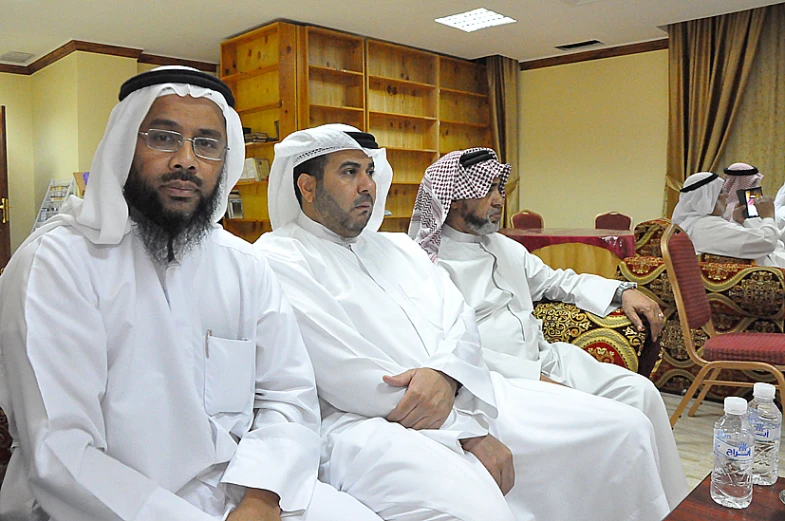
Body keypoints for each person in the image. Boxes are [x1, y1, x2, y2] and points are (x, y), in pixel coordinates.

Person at [0, 67, 380, 521]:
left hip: (247, 493)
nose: (186, 160)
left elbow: (288, 397)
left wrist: (261, 497)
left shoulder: (243, 265)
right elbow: (59, 452)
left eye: (206, 143)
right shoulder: (57, 263)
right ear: (124, 145)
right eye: (163, 137)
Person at [256, 124, 677, 521]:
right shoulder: (279, 257)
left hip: (470, 390)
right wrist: (468, 430)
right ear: (306, 187)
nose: (368, 184)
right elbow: (349, 374)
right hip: (377, 423)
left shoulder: (397, 248)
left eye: (369, 170)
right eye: (350, 172)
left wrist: (449, 375)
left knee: (625, 428)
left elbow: (459, 320)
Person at [407, 148, 688, 509]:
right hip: (498, 382)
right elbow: (446, 349)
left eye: (499, 187)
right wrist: (533, 377)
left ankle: (677, 509)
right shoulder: (428, 265)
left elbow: (558, 282)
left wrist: (623, 290)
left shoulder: (506, 247)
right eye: (488, 189)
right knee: (622, 425)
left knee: (640, 393)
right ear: (456, 197)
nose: (499, 199)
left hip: (547, 359)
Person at [672, 171, 785, 267]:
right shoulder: (705, 226)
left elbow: (730, 238)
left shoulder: (700, 223)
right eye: (720, 192)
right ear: (705, 199)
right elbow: (765, 242)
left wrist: (736, 221)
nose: (726, 195)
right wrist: (768, 216)